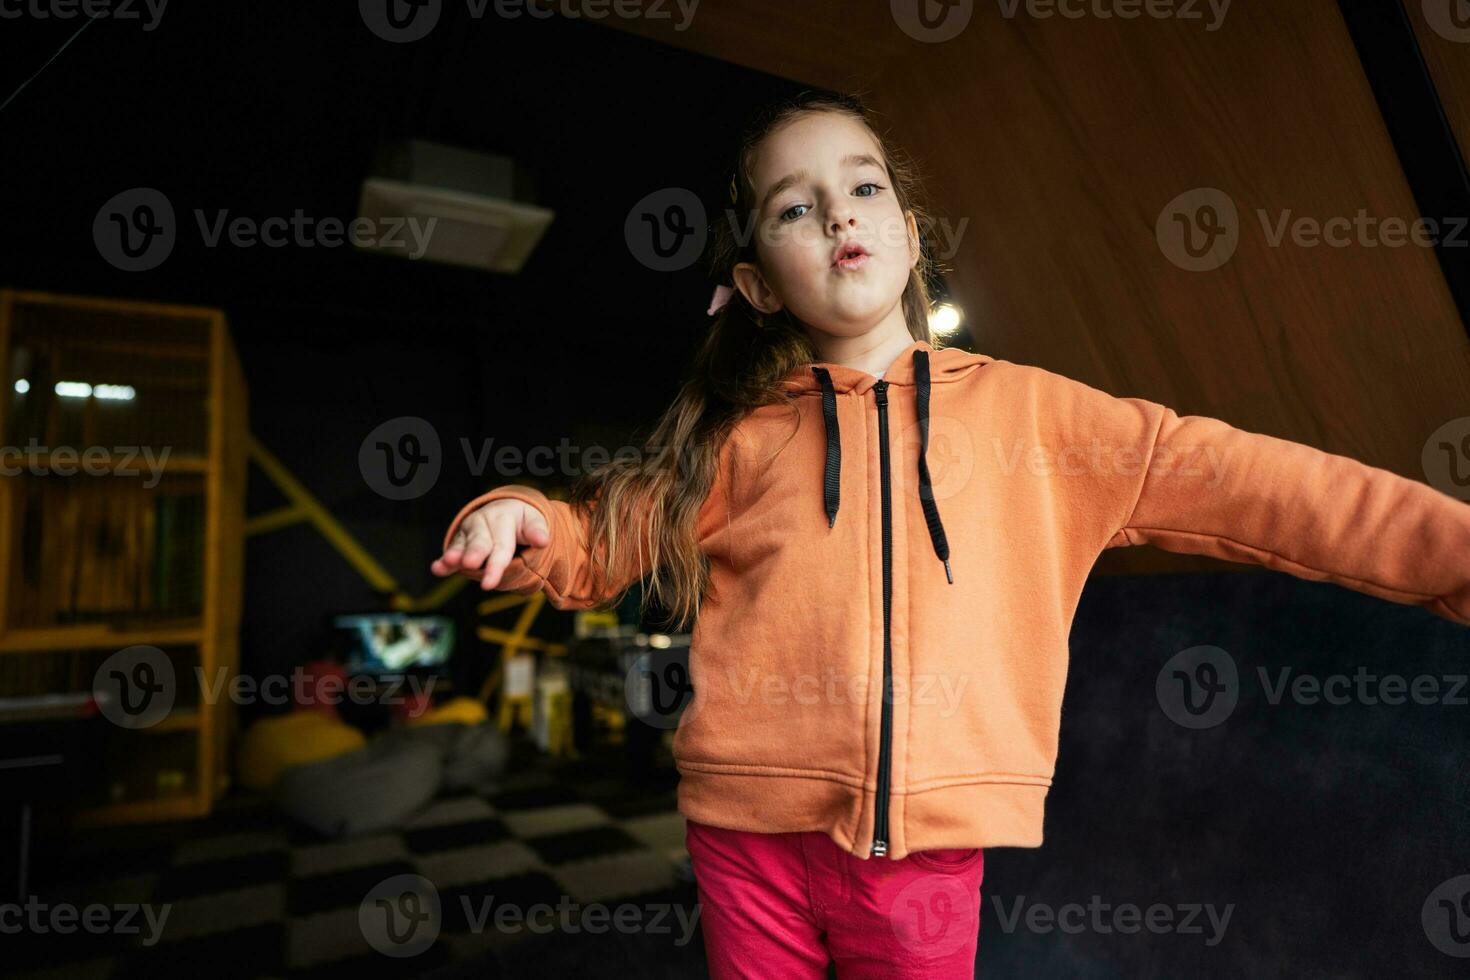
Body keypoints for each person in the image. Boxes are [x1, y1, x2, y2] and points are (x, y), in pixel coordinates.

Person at [430, 91, 1470, 979]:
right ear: (754, 283)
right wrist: (524, 516)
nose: (838, 210)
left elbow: (1267, 487)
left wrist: (1453, 551)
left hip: (927, 853)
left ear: (911, 231)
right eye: (795, 206)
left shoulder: (1042, 420)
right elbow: (602, 532)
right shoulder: (738, 442)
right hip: (748, 837)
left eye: (865, 185)